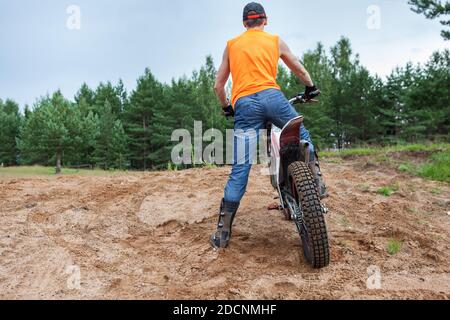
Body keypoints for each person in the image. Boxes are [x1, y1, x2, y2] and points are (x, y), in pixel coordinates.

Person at [211, 2, 327, 249]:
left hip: (244, 104)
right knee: (301, 134)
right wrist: (309, 86)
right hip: (273, 98)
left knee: (240, 167)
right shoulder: (274, 40)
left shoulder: (232, 45)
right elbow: (296, 64)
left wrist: (226, 107)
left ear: (244, 23)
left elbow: (218, 86)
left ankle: (223, 232)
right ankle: (316, 180)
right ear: (265, 21)